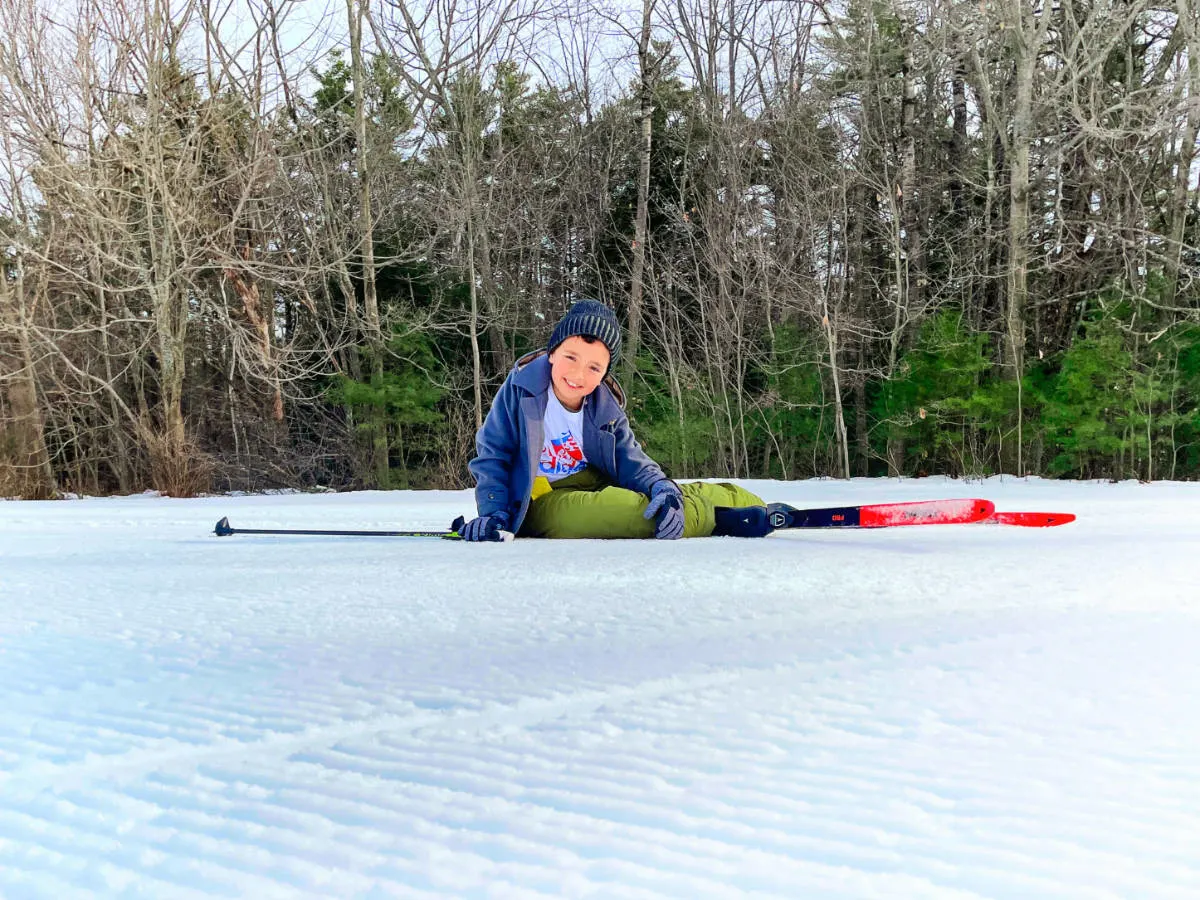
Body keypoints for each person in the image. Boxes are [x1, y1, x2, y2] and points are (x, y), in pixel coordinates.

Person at [458, 299, 791, 542]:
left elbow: (631, 460)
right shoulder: (521, 391)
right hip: (540, 497)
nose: (578, 374)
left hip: (593, 479)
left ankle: (751, 505)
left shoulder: (604, 407)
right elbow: (493, 456)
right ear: (552, 353)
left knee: (662, 495)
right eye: (570, 358)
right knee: (627, 512)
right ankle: (718, 519)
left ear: (604, 373)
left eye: (594, 368)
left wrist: (662, 488)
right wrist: (493, 514)